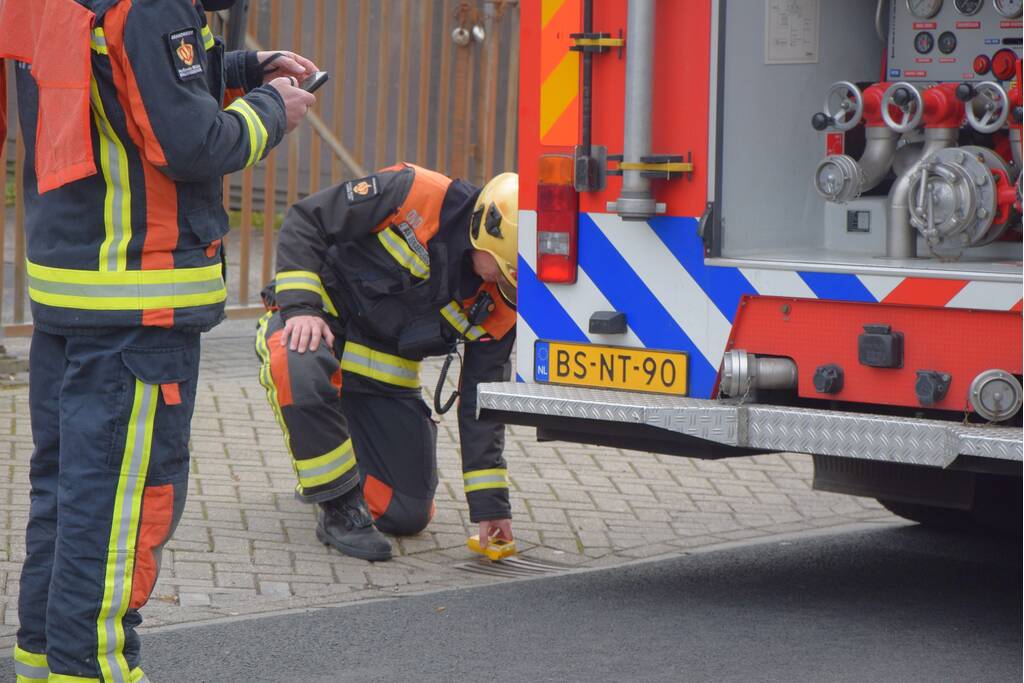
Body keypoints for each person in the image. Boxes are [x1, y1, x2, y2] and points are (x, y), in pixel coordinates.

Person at [0, 0, 316, 680]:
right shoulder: (152, 4)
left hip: (72, 293)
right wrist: (271, 110)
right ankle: (95, 669)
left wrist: (242, 69)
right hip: (138, 306)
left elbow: (124, 83)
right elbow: (188, 142)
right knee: (121, 510)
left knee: (67, 496)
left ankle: (42, 661)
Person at [255, 165, 518, 562]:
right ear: (487, 228)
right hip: (319, 326)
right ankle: (338, 508)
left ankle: (339, 461)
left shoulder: (502, 301)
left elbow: (483, 402)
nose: (509, 283)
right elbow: (307, 219)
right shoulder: (414, 193)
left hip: (381, 378)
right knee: (301, 366)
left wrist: (491, 507)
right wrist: (301, 309)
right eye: (507, 269)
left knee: (404, 512)